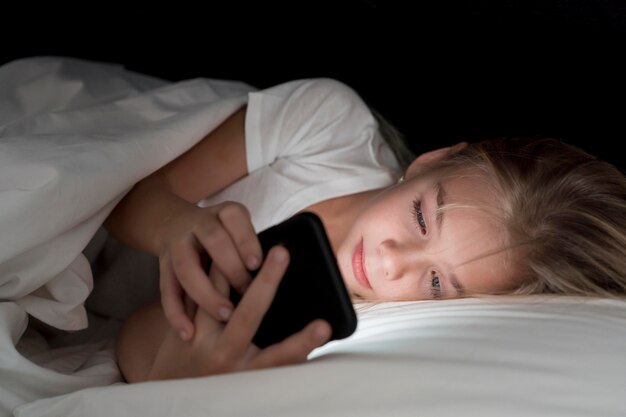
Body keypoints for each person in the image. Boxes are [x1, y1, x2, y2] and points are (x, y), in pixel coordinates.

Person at [105, 78, 626, 382]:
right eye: (422, 218)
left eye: (438, 284)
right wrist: (175, 225)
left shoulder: (335, 332)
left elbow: (131, 337)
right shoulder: (329, 128)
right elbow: (121, 192)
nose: (394, 260)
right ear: (428, 162)